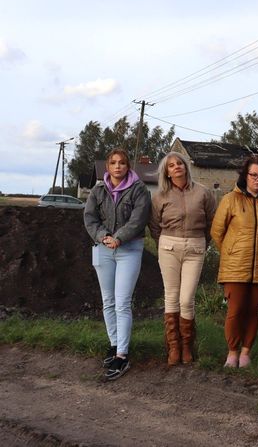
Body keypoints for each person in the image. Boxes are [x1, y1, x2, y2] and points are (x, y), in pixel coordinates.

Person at [84, 147, 152, 381]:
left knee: (122, 302)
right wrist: (103, 236)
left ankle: (122, 356)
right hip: (103, 249)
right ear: (108, 166)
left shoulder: (139, 189)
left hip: (129, 249)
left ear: (128, 166)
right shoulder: (98, 189)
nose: (117, 166)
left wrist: (119, 237)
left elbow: (139, 219)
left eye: (122, 163)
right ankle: (114, 345)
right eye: (113, 162)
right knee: (108, 301)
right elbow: (90, 217)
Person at [211, 155, 258, 369]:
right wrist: (230, 252)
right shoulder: (230, 199)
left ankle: (246, 352)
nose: (257, 179)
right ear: (246, 175)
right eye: (253, 175)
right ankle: (232, 352)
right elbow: (217, 231)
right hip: (235, 266)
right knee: (235, 310)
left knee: (253, 310)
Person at [149, 152, 217, 365]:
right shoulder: (160, 196)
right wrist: (165, 242)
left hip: (195, 247)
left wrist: (202, 242)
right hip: (168, 246)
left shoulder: (203, 193)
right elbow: (153, 225)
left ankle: (187, 345)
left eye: (179, 163)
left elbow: (212, 222)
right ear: (167, 172)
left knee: (187, 299)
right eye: (171, 165)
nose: (176, 167)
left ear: (186, 166)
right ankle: (174, 347)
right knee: (171, 296)